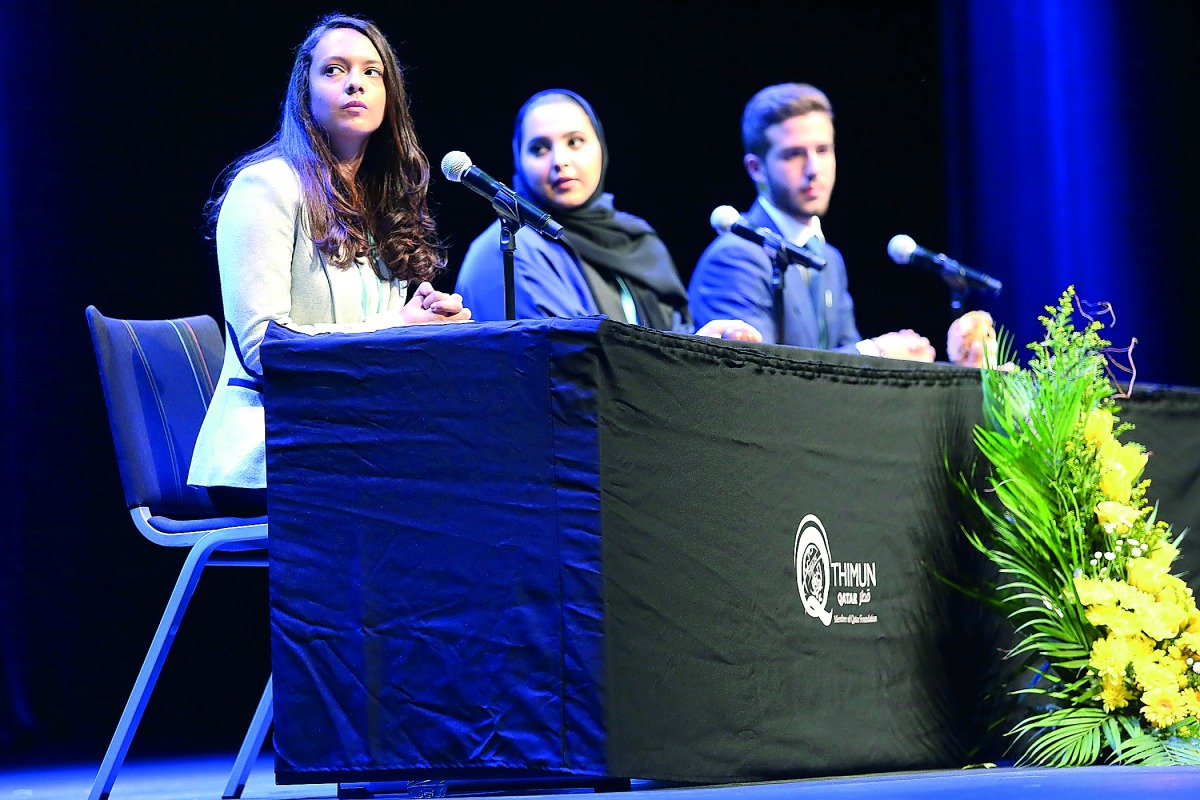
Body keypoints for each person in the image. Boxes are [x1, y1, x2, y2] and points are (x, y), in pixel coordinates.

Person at [189, 14, 470, 513]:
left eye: (371, 72)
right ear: (306, 90)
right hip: (270, 450)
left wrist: (427, 325)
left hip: (351, 437)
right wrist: (396, 328)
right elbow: (264, 347)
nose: (355, 83)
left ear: (390, 96)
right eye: (334, 70)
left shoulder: (383, 201)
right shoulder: (266, 187)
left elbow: (372, 340)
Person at [690, 83, 986, 363]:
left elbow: (846, 380)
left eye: (823, 150)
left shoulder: (829, 258)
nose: (813, 169)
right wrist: (876, 352)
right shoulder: (735, 256)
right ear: (756, 169)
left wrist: (904, 362)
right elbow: (751, 375)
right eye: (794, 154)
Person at [455, 89, 758, 341]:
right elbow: (569, 364)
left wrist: (704, 344)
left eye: (575, 142)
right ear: (518, 160)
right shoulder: (509, 250)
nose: (560, 161)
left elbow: (672, 339)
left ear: (600, 147)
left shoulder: (635, 239)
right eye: (539, 148)